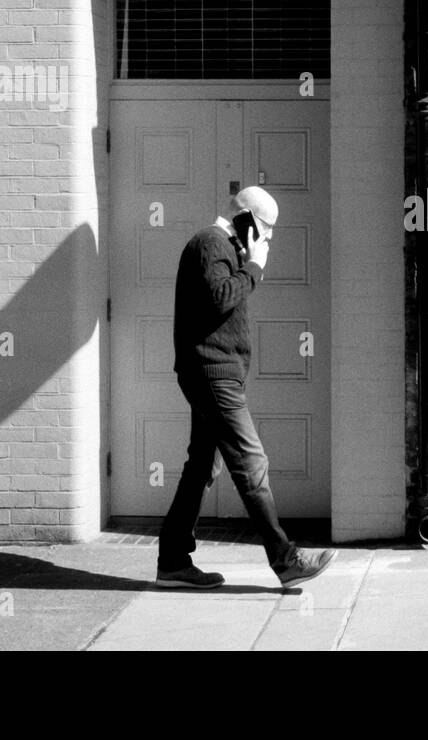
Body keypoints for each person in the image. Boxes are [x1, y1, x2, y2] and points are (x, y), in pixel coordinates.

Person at [156, 185, 336, 589]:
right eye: (265, 228)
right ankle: (285, 558)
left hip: (215, 372)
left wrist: (248, 265)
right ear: (245, 220)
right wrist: (254, 267)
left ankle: (172, 560)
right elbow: (219, 297)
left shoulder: (223, 248)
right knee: (251, 462)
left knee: (202, 465)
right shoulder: (210, 242)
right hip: (212, 373)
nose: (268, 238)